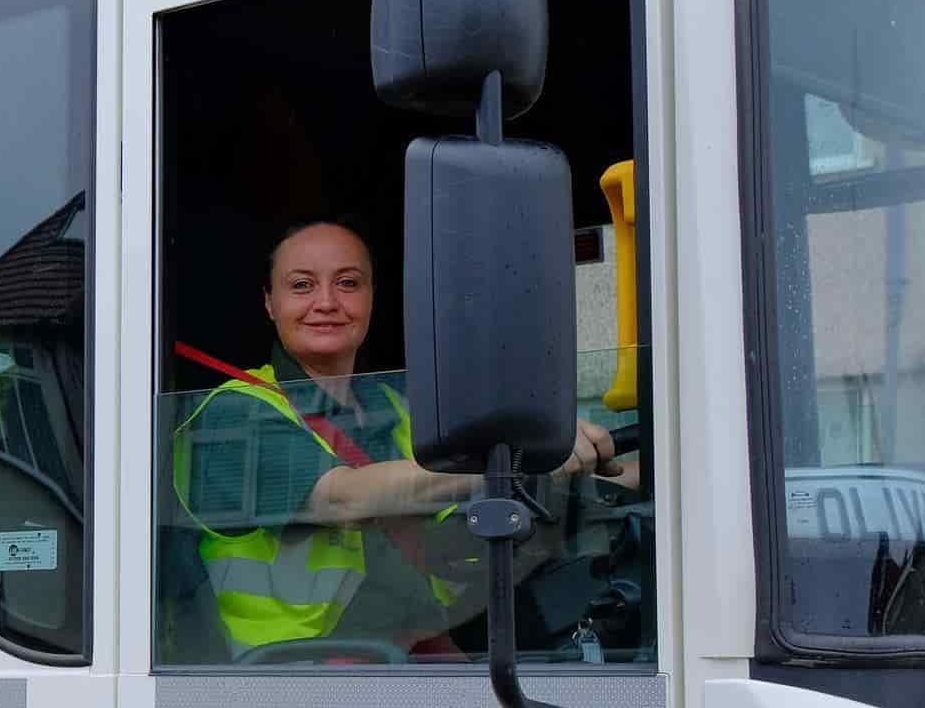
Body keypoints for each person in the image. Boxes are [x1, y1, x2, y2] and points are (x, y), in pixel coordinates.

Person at [168, 219, 617, 658]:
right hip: (290, 686)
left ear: (371, 298)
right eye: (302, 285)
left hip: (403, 653)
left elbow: (447, 540)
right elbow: (345, 498)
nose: (326, 302)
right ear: (269, 303)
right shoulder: (234, 413)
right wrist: (513, 449)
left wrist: (572, 479)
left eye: (348, 283)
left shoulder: (394, 407)